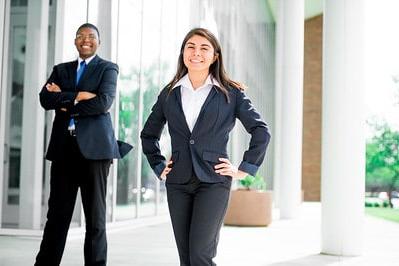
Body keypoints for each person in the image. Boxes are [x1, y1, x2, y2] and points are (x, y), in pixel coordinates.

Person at [141, 28, 271, 266]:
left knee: (200, 253)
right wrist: (159, 165)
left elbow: (261, 131)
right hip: (178, 182)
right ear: (183, 53)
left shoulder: (231, 93)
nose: (196, 53)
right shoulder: (170, 93)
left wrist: (244, 169)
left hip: (213, 182)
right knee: (186, 257)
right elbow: (148, 135)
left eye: (204, 48)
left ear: (215, 56)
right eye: (190, 47)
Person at [35, 23, 132, 266]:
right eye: (80, 36)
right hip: (63, 150)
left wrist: (64, 97)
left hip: (95, 152)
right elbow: (45, 99)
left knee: (95, 219)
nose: (85, 40)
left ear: (98, 42)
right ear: (75, 41)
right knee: (57, 216)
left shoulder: (108, 68)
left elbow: (103, 103)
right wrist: (78, 95)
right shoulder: (61, 69)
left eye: (90, 36)